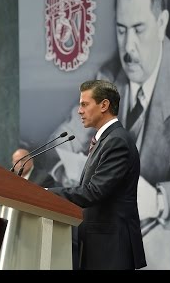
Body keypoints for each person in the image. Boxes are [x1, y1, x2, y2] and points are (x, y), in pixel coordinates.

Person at [46, 0, 170, 269]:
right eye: (121, 30)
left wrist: (159, 201)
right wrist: (61, 165)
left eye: (139, 29)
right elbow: (67, 135)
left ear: (162, 23)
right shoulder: (108, 75)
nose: (128, 48)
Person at [47, 80, 146, 269]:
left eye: (84, 104)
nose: (79, 111)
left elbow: (93, 192)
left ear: (104, 105)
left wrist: (46, 193)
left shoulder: (117, 142)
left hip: (111, 247)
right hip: (100, 244)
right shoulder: (107, 139)